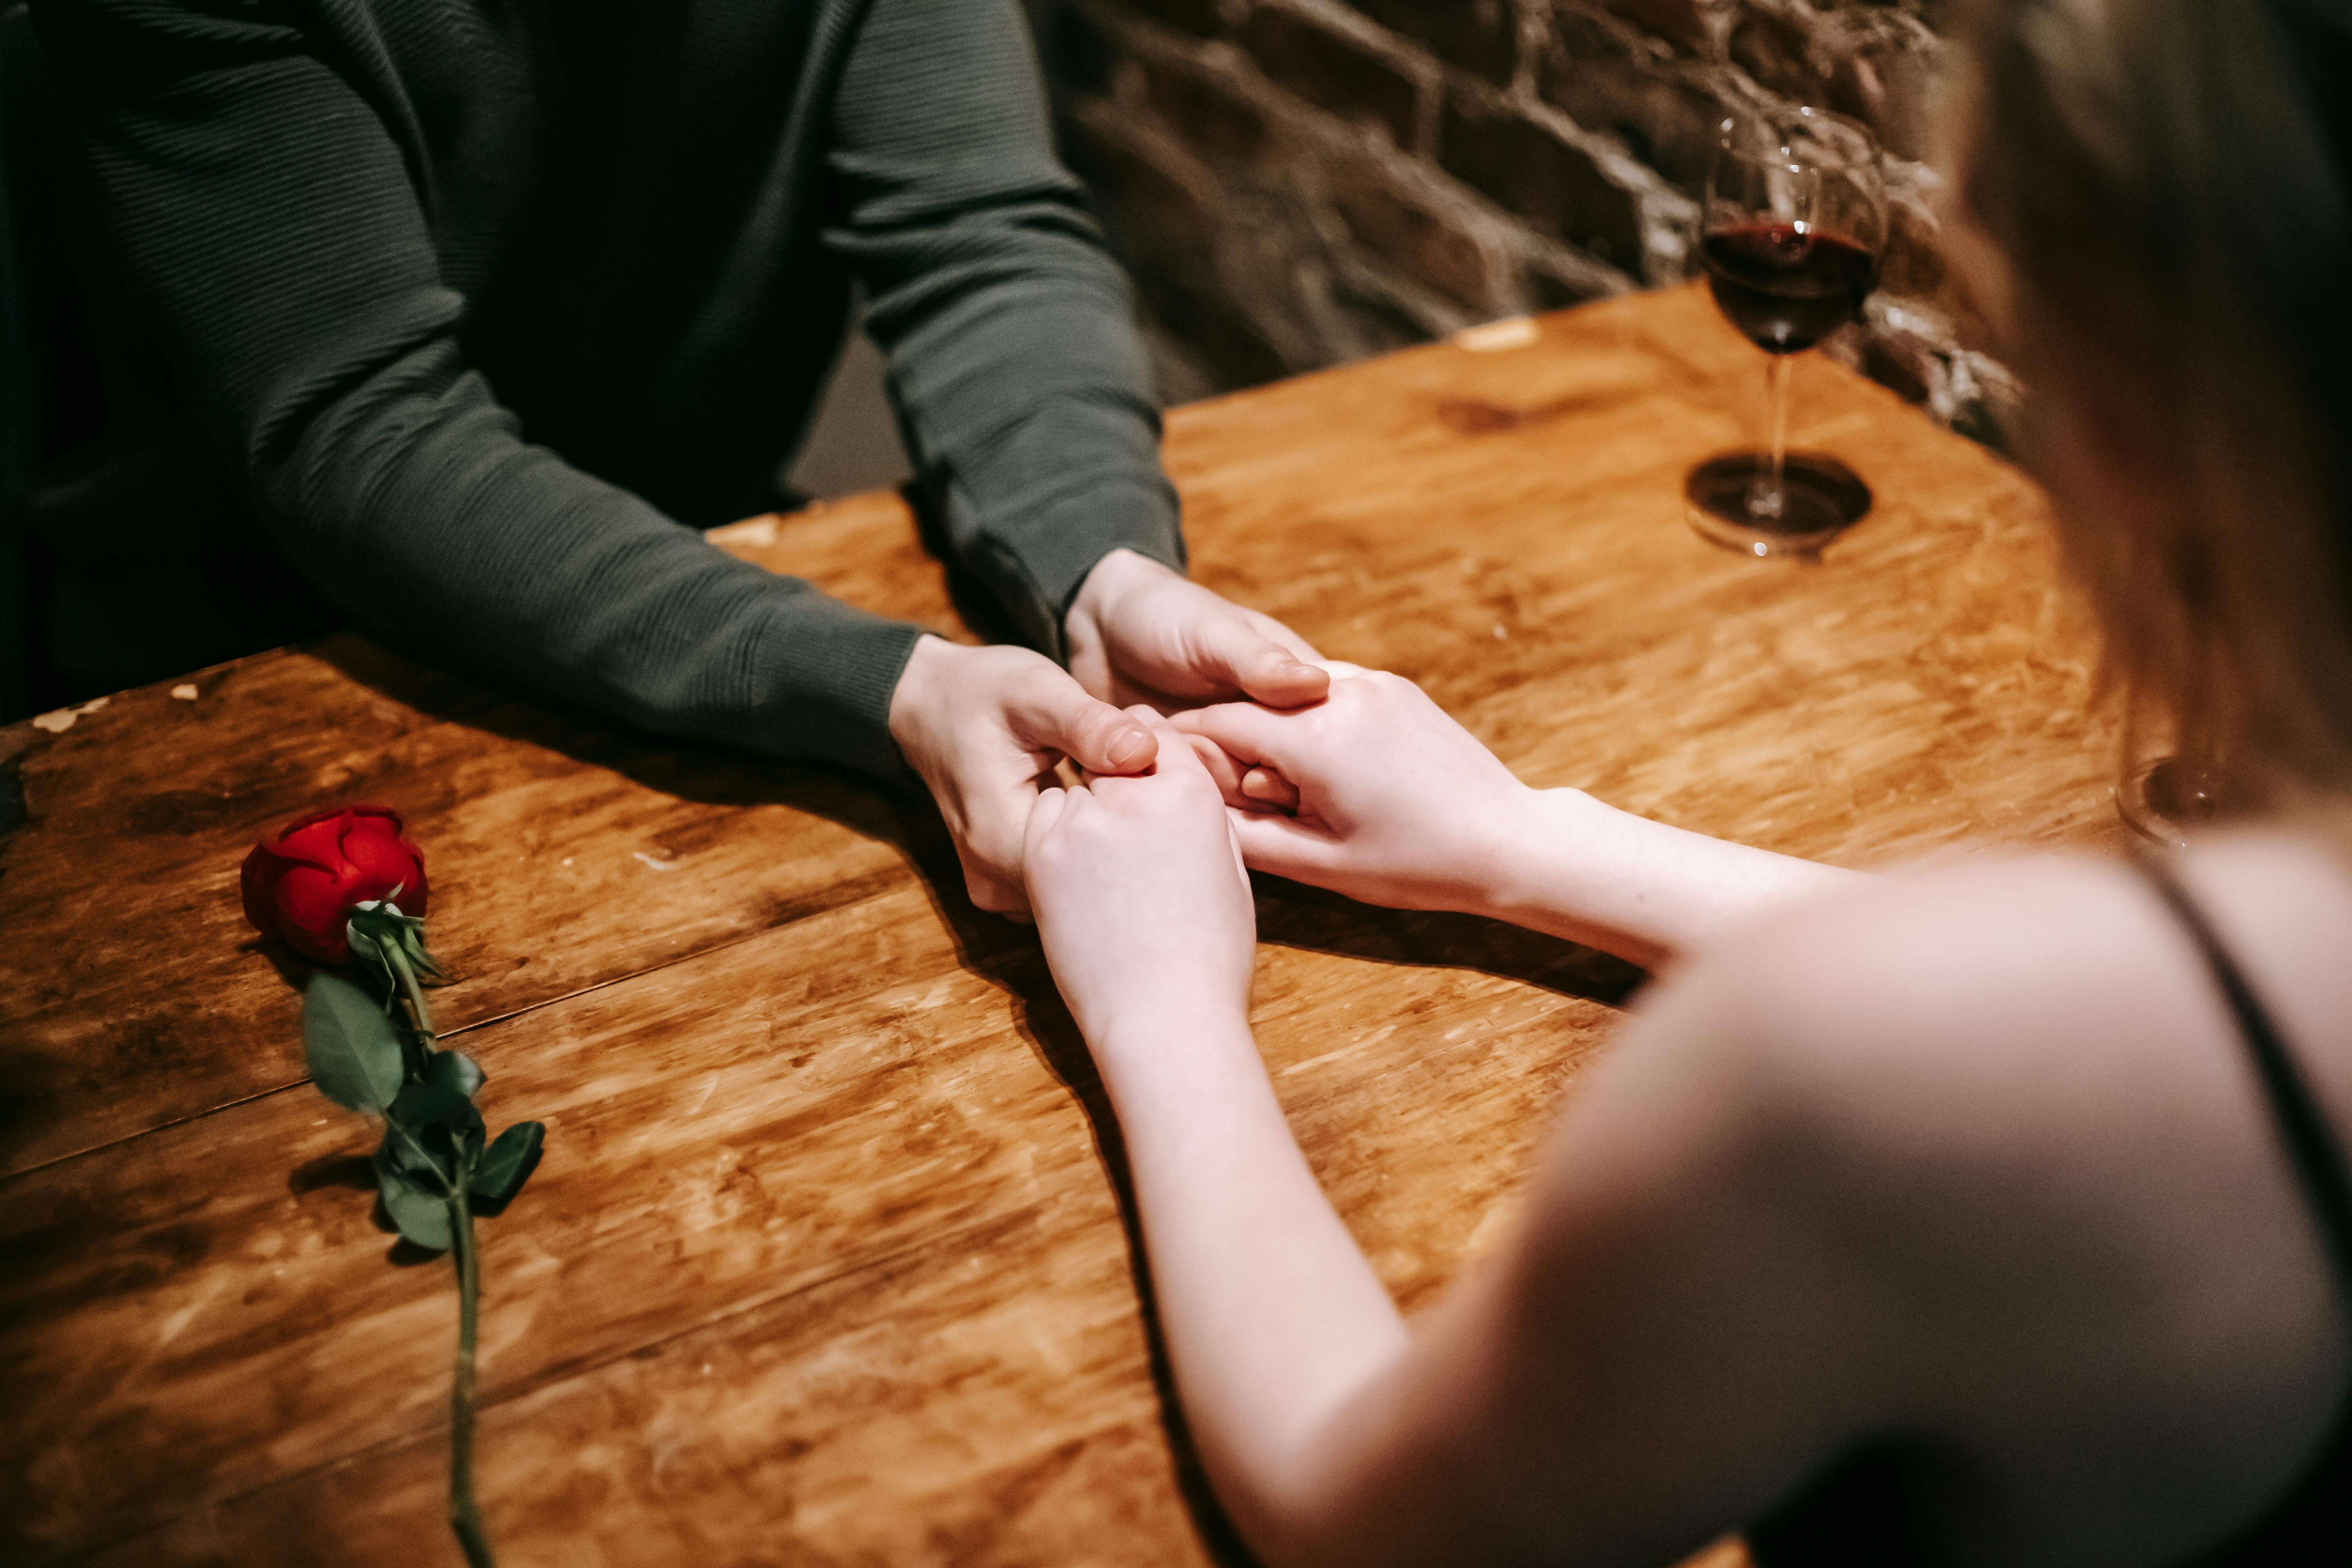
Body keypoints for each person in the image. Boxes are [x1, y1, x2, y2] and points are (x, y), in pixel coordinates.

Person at [1018, 1, 2352, 1562]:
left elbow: (1352, 1508)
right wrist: (1522, 840)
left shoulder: (1865, 1074)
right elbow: (2137, 1028)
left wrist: (1159, 997)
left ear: (2150, 388)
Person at [9, 0, 1324, 912]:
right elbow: (365, 426)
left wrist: (1102, 564)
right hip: (232, 677)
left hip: (696, 563)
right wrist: (885, 690)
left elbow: (979, 236)